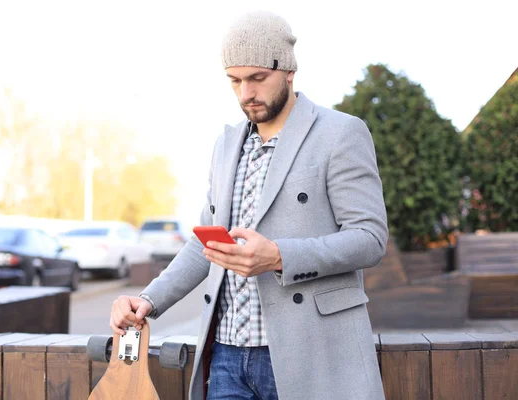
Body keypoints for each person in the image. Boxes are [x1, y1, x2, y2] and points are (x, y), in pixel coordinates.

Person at [110, 10, 388, 400]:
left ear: (288, 71)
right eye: (235, 80)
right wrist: (148, 300)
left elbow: (370, 239)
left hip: (308, 352)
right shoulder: (226, 146)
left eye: (258, 78)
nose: (246, 94)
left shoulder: (340, 133)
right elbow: (206, 244)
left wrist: (278, 256)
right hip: (226, 357)